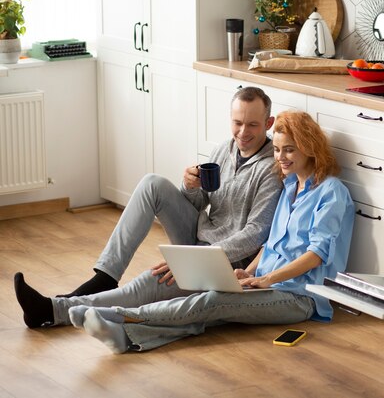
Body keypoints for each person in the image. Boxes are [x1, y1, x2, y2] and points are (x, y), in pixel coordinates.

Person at [62, 110, 354, 354]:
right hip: (263, 282)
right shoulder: (290, 186)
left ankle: (115, 315)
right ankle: (126, 338)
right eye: (277, 149)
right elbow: (270, 243)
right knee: (211, 313)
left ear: (310, 147)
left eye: (290, 149)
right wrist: (249, 273)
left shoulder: (331, 193)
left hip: (299, 297)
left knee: (213, 302)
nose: (281, 157)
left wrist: (267, 279)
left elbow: (317, 255)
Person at [14, 86, 283, 328]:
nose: (243, 132)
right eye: (237, 123)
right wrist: (189, 185)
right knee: (152, 183)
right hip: (200, 241)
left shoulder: (271, 169)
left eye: (253, 125)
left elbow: (257, 232)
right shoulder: (223, 150)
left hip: (226, 260)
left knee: (147, 283)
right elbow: (200, 203)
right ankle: (106, 275)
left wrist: (203, 257)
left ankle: (52, 310)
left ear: (268, 123)